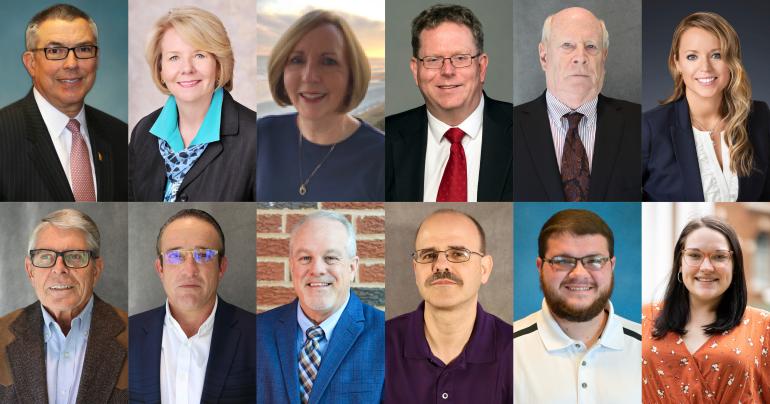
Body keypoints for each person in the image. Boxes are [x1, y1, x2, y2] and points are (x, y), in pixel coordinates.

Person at [0, 4, 127, 202]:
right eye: (55, 50)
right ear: (31, 63)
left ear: (97, 59)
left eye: (83, 49)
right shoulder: (4, 134)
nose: (71, 64)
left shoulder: (120, 136)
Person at [386, 4, 513, 202]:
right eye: (433, 59)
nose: (447, 71)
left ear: (482, 66)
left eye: (460, 58)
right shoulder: (384, 138)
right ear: (415, 70)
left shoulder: (526, 131)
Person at [129, 7, 256, 202]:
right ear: (160, 68)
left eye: (199, 55)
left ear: (218, 62)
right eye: (174, 57)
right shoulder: (143, 133)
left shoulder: (255, 137)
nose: (187, 68)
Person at [514, 7, 640, 201]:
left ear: (603, 57)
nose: (581, 57)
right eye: (567, 45)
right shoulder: (509, 127)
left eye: (591, 47)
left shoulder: (640, 123)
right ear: (544, 56)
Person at [128, 209, 256, 402]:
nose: (189, 270)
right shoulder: (126, 334)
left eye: (203, 255)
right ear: (160, 268)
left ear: (221, 267)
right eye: (176, 256)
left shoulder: (257, 334)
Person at [514, 209, 641, 403]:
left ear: (611, 266)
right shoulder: (505, 350)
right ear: (540, 267)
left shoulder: (648, 348)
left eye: (594, 261)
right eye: (562, 261)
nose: (579, 273)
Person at [0, 209, 127, 402]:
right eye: (45, 256)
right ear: (30, 270)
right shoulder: (2, 335)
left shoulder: (134, 335)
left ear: (96, 270)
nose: (59, 269)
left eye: (75, 256)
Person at [257, 211, 384, 403]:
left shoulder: (389, 336)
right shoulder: (256, 332)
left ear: (352, 267)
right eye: (305, 258)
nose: (317, 269)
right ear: (292, 266)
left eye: (331, 258)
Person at [386, 209, 512, 403]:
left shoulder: (517, 350)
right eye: (428, 255)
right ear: (415, 271)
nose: (441, 265)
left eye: (458, 253)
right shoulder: (379, 344)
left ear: (484, 269)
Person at [257, 10, 384, 202]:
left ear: (351, 75)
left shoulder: (383, 157)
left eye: (328, 61)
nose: (309, 76)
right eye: (297, 60)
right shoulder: (260, 135)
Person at [643, 12, 770, 201]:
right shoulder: (649, 128)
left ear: (732, 62)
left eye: (717, 55)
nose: (706, 68)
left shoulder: (759, 117)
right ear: (676, 62)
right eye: (692, 57)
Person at [642, 217, 770, 402]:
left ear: (735, 265)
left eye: (719, 256)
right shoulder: (643, 317)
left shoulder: (763, 327)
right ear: (680, 261)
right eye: (694, 255)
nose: (706, 267)